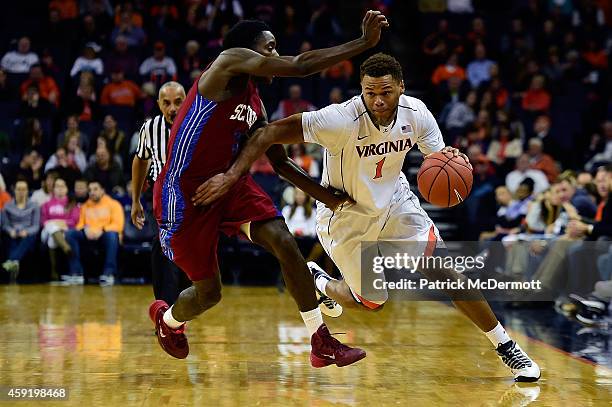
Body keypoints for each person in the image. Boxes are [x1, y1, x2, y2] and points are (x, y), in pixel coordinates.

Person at [198, 53, 541, 382]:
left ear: (401, 87)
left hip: (394, 202)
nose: (377, 100)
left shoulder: (417, 113)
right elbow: (267, 134)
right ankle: (321, 281)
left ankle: (507, 347)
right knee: (374, 302)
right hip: (346, 216)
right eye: (370, 92)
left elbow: (439, 161)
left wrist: (452, 162)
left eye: (386, 92)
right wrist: (318, 194)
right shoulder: (339, 119)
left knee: (444, 270)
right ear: (361, 89)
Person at [149, 12, 389, 367]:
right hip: (185, 194)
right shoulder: (227, 64)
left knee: (283, 239)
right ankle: (168, 321)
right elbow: (302, 64)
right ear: (250, 50)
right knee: (209, 293)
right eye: (270, 47)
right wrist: (363, 44)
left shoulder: (255, 103)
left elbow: (279, 162)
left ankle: (320, 340)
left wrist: (331, 200)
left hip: (229, 183)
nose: (276, 55)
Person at [131, 81, 190, 305]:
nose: (172, 108)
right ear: (158, 104)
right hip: (162, 192)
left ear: (187, 101)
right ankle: (165, 308)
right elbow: (139, 161)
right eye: (166, 103)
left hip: (191, 194)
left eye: (178, 102)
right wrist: (135, 200)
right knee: (162, 246)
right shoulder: (150, 128)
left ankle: (182, 306)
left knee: (186, 251)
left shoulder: (198, 125)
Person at [64, 180, 125, 286]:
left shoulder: (114, 204)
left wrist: (102, 230)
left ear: (102, 191)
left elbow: (118, 225)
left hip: (105, 234)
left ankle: (108, 274)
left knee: (112, 235)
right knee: (70, 233)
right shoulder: (85, 206)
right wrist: (85, 230)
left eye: (95, 189)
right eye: (90, 190)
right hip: (89, 235)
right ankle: (76, 273)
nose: (92, 192)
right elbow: (80, 225)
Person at [40, 177, 80, 280]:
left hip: (65, 231)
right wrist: (57, 223)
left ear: (67, 188)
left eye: (62, 186)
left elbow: (74, 221)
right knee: (51, 227)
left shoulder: (72, 204)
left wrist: (59, 223)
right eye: (57, 186)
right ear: (53, 189)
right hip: (47, 231)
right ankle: (66, 248)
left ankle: (55, 272)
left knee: (52, 239)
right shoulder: (46, 205)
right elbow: (43, 222)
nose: (60, 189)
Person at [1, 180, 40, 281]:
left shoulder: (34, 206)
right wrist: (10, 231)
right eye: (19, 189)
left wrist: (27, 231)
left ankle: (11, 261)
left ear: (27, 191)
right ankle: (14, 264)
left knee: (29, 237)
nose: (21, 192)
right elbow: (5, 225)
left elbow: (35, 226)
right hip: (13, 233)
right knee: (10, 238)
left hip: (28, 234)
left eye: (23, 189)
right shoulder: (7, 206)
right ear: (14, 190)